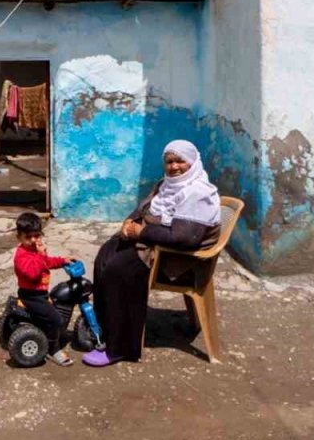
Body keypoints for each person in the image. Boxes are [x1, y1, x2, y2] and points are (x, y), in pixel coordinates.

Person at [83, 140, 223, 367]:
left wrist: (141, 232)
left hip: (176, 259)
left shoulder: (197, 193)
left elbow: (184, 238)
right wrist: (128, 222)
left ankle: (120, 347)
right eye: (169, 161)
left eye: (180, 161)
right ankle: (103, 327)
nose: (174, 167)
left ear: (193, 162)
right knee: (106, 254)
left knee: (118, 269)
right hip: (156, 244)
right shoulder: (166, 184)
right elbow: (144, 208)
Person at [13, 212, 75, 367]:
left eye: (36, 235)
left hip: (40, 293)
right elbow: (33, 275)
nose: (34, 240)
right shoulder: (21, 256)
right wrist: (40, 255)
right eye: (28, 237)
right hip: (31, 296)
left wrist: (62, 261)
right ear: (19, 237)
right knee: (56, 320)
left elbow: (47, 262)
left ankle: (48, 332)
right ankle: (53, 349)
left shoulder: (35, 251)